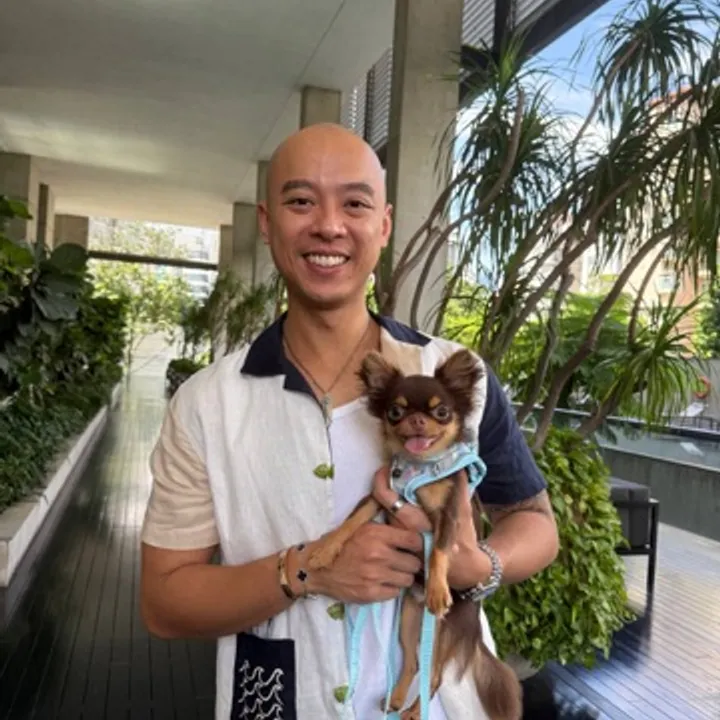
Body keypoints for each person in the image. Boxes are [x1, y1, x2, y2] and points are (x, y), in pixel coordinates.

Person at [139, 122, 559, 720]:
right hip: (283, 701)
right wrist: (307, 571)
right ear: (267, 223)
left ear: (383, 226)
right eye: (301, 201)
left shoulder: (454, 376)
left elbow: (536, 524)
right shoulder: (207, 405)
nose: (329, 226)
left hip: (443, 702)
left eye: (355, 204)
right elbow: (164, 602)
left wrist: (478, 566)